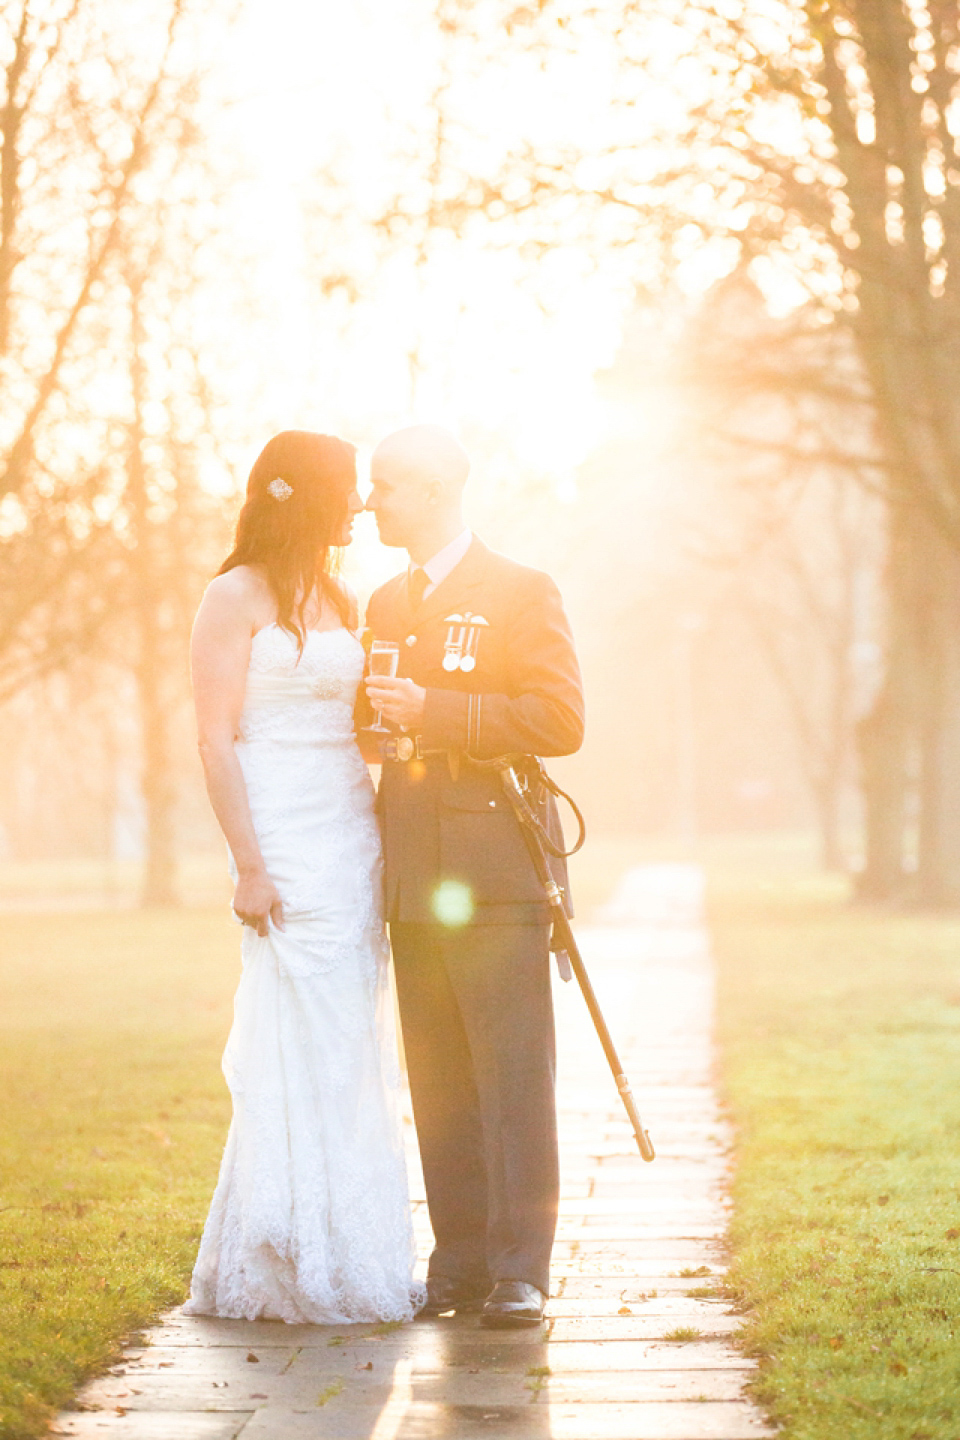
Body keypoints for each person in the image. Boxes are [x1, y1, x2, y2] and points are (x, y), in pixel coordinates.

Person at [185, 430, 423, 1325]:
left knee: (348, 1043)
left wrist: (390, 733)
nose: (361, 505)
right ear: (307, 498)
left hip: (348, 830)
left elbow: (351, 724)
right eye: (349, 490)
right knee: (297, 1039)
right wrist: (249, 862)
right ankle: (281, 1246)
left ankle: (356, 1248)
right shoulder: (231, 596)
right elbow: (215, 738)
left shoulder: (340, 595)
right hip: (279, 835)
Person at [364, 425, 585, 1328]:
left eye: (385, 484)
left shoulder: (523, 589)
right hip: (413, 874)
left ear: (436, 488)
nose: (370, 500)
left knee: (512, 1078)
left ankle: (519, 1270)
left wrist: (438, 712)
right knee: (440, 1079)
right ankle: (455, 1262)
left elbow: (559, 717)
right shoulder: (381, 602)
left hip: (494, 878)